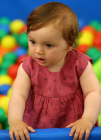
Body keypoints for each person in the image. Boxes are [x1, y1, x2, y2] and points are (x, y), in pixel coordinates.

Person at [8, 2, 101, 140]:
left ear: (70, 44)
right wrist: (15, 121)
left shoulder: (80, 64)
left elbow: (93, 92)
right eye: (32, 41)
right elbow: (18, 95)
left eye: (49, 45)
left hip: (75, 128)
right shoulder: (28, 67)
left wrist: (87, 120)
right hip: (38, 129)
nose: (38, 50)